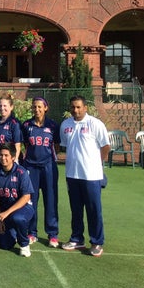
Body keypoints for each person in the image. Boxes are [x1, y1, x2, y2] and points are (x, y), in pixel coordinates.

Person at [59, 95, 110, 257]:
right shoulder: (65, 125)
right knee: (76, 209)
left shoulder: (95, 124)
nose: (76, 110)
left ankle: (96, 242)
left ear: (85, 108)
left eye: (79, 107)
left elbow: (105, 146)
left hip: (91, 176)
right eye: (73, 107)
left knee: (94, 210)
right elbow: (66, 147)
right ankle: (76, 238)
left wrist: (96, 164)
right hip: (72, 175)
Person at [21, 97, 61, 247]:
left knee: (50, 200)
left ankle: (52, 234)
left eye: (39, 107)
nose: (36, 110)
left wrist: (48, 159)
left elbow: (56, 146)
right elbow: (25, 145)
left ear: (46, 108)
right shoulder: (26, 125)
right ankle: (32, 232)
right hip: (31, 167)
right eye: (34, 107)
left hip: (48, 167)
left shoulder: (53, 125)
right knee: (31, 200)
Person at [0, 143, 35, 257]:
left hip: (23, 208)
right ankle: (14, 233)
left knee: (17, 218)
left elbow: (26, 197)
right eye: (0, 155)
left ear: (13, 157)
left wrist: (7, 213)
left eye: (6, 155)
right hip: (5, 211)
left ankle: (24, 244)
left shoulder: (21, 172)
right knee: (5, 244)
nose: (2, 158)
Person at [0, 94, 23, 168]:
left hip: (8, 162)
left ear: (11, 107)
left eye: (5, 106)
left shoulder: (15, 123)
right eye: (0, 106)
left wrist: (15, 160)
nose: (2, 108)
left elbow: (17, 144)